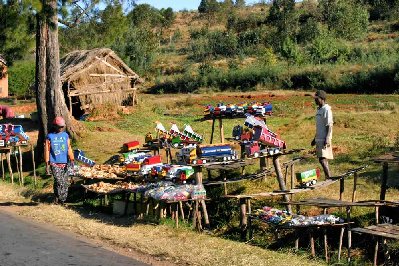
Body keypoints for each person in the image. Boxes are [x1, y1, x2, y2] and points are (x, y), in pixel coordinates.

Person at [44, 116, 74, 204]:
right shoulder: (50, 136)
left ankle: (58, 199)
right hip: (54, 163)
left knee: (64, 182)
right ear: (55, 126)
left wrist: (72, 159)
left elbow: (69, 148)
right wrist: (47, 164)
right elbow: (47, 151)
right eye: (59, 126)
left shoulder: (65, 135)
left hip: (65, 162)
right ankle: (62, 199)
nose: (61, 128)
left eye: (62, 126)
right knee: (59, 181)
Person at [311, 90, 333, 179]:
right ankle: (329, 176)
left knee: (322, 159)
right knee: (323, 158)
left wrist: (327, 138)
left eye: (317, 99)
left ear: (322, 99)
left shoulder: (326, 109)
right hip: (319, 138)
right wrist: (314, 138)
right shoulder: (319, 110)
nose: (315, 100)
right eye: (314, 99)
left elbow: (329, 125)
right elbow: (319, 126)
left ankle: (329, 177)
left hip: (324, 138)